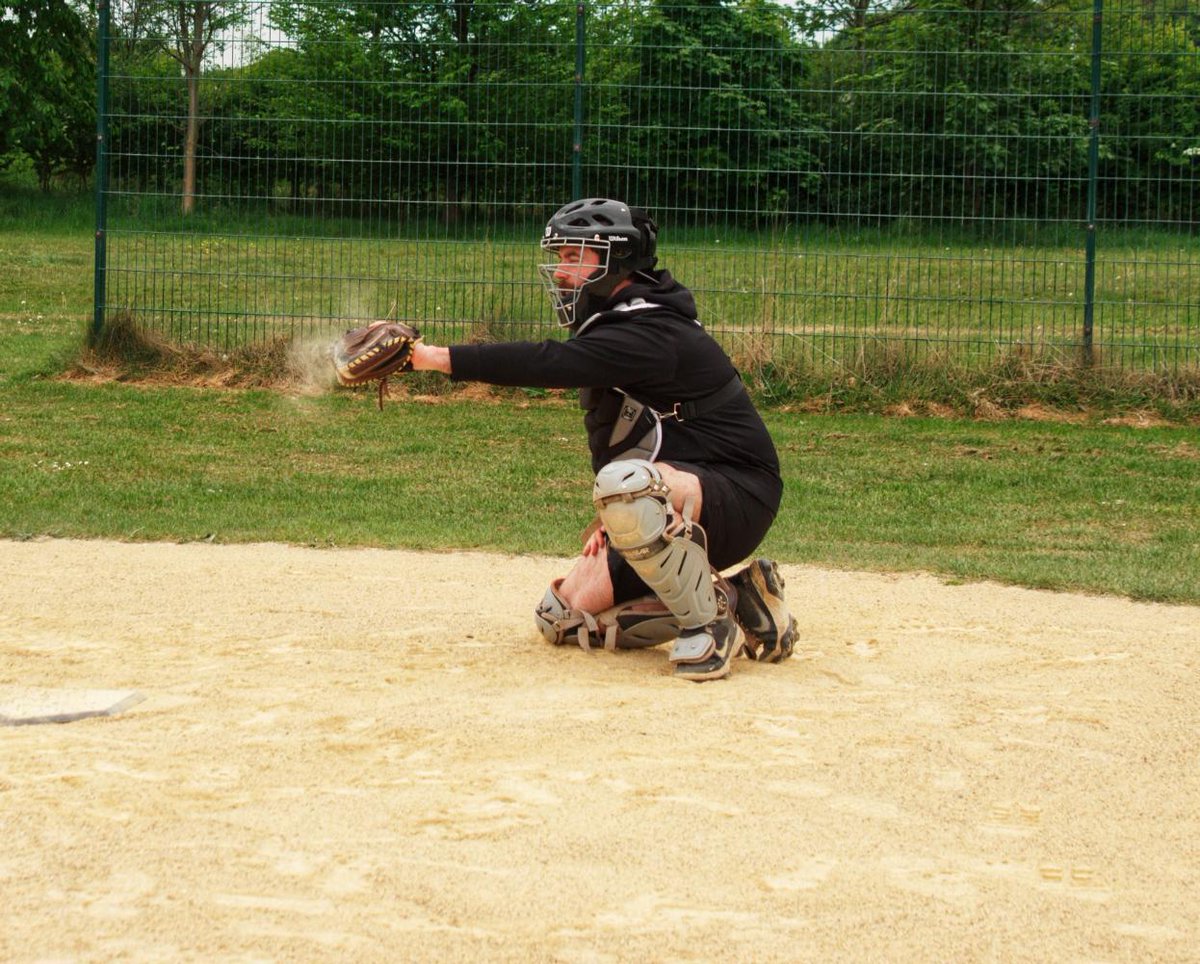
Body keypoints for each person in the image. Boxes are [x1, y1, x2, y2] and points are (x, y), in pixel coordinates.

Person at [408, 197, 796, 681]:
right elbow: (629, 431)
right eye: (561, 257)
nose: (562, 271)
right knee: (563, 616)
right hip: (683, 489)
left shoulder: (650, 329)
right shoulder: (618, 322)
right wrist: (620, 520)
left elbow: (548, 363)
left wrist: (431, 358)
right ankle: (743, 598)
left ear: (614, 259)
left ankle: (708, 625)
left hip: (738, 494)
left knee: (624, 485)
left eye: (574, 257)